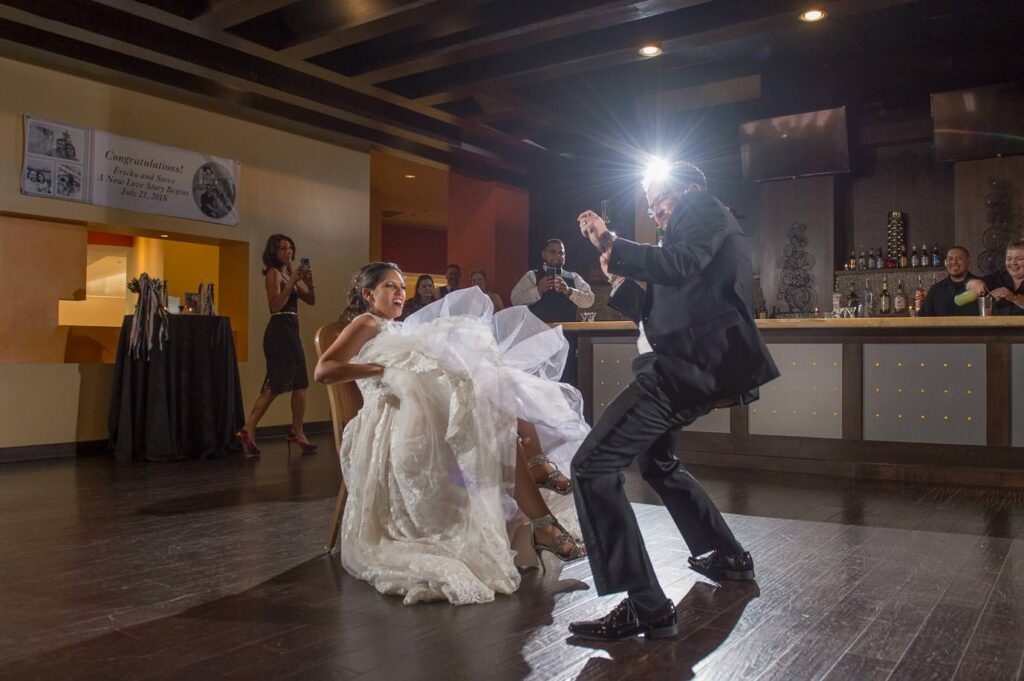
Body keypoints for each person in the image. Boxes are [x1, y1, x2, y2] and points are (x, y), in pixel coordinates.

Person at [568, 161, 779, 640]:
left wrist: (611, 243)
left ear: (690, 188)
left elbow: (678, 265)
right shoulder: (683, 239)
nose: (655, 208)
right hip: (684, 364)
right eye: (649, 202)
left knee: (592, 466)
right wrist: (620, 279)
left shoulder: (703, 208)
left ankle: (647, 605)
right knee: (659, 465)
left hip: (680, 370)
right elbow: (661, 308)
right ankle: (728, 557)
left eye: (660, 196)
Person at [313, 262, 588, 605]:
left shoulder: (402, 329)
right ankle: (540, 500)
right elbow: (324, 370)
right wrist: (384, 368)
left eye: (401, 286)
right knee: (492, 426)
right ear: (369, 295)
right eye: (389, 286)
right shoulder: (366, 322)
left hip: (422, 414)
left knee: (496, 394)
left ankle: (540, 503)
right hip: (391, 422)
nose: (399, 292)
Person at [236, 234, 317, 457]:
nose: (288, 252)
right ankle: (248, 428)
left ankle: (297, 431)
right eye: (283, 248)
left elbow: (310, 300)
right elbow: (274, 306)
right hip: (280, 331)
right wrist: (291, 283)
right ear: (274, 251)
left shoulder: (288, 273)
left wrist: (308, 282)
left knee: (300, 383)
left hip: (292, 330)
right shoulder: (273, 273)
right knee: (275, 384)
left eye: (290, 248)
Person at [510, 239, 595, 323]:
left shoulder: (574, 277)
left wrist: (569, 291)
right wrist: (538, 289)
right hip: (539, 334)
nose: (557, 256)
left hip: (566, 334)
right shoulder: (532, 275)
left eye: (561, 253)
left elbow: (590, 300)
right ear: (543, 255)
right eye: (552, 252)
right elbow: (515, 300)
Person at [966, 240, 1024, 315]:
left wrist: (1013, 297)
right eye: (1009, 259)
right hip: (997, 326)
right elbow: (968, 284)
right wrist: (975, 284)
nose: (1013, 263)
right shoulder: (999, 277)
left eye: (1019, 259)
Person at [919, 246, 978, 317]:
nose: (954, 262)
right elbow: (924, 319)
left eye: (960, 258)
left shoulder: (981, 288)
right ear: (946, 262)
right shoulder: (935, 290)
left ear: (968, 261)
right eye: (950, 259)